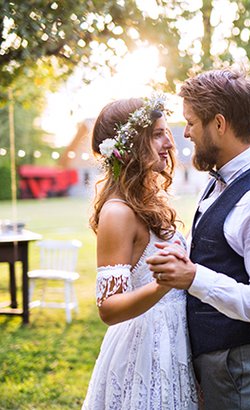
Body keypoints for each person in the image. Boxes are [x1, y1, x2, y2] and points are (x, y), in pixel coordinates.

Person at [146, 68, 250, 409]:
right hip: (218, 362)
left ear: (219, 124)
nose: (186, 133)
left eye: (192, 122)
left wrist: (194, 277)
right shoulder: (218, 179)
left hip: (241, 367)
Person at [82, 96, 197, 409]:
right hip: (144, 349)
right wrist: (163, 284)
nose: (169, 142)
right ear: (132, 144)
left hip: (174, 342)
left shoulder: (148, 200)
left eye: (166, 131)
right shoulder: (117, 213)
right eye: (158, 134)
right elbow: (109, 308)